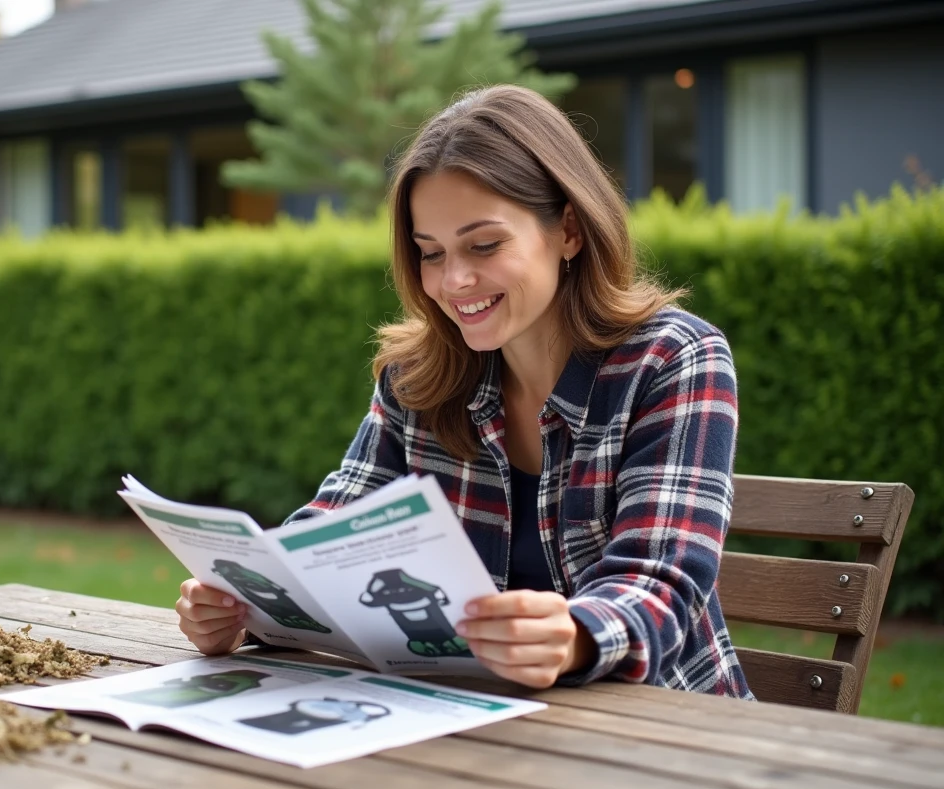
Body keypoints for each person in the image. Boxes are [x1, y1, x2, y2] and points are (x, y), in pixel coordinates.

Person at [176, 84, 753, 697]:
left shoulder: (672, 359)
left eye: (484, 245)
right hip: (479, 718)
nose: (453, 281)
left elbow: (662, 582)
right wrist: (242, 601)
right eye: (430, 253)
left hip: (661, 722)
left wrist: (575, 635)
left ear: (569, 230)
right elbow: (331, 526)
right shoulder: (419, 378)